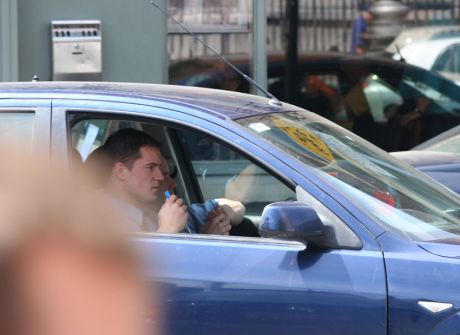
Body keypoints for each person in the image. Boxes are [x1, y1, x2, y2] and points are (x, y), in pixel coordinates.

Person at [99, 128, 244, 235]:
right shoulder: (94, 218)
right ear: (121, 171)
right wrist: (167, 231)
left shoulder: (150, 214)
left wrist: (204, 236)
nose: (160, 177)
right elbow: (126, 274)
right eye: (150, 167)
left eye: (160, 169)